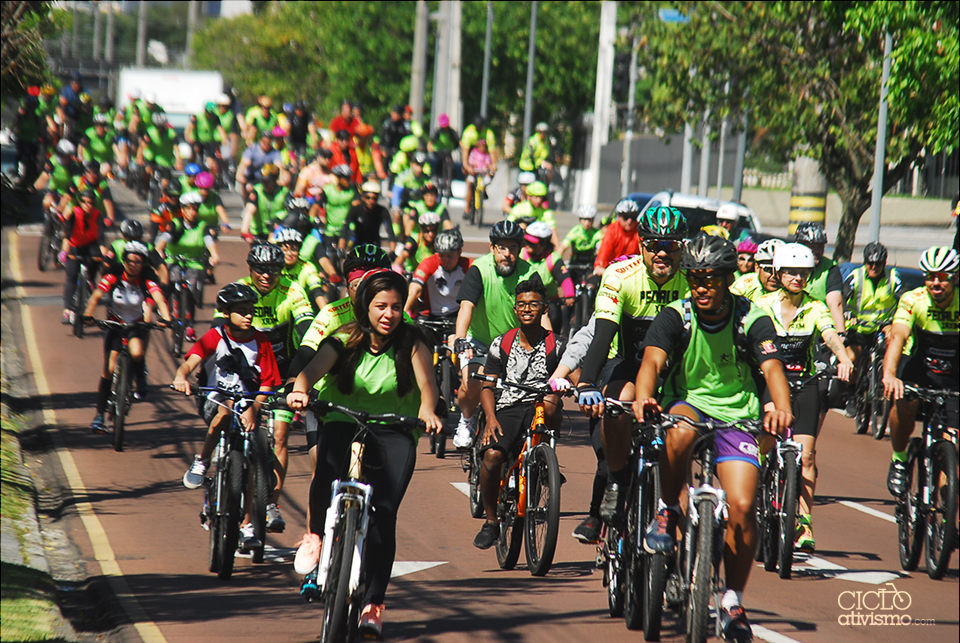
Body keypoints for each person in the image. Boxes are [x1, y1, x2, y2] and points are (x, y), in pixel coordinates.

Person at [635, 233, 793, 643]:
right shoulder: (676, 315)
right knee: (679, 431)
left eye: (710, 278)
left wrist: (779, 406)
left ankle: (732, 602)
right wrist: (644, 395)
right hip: (687, 404)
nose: (701, 287)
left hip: (738, 417)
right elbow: (652, 361)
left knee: (742, 506)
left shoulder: (751, 317)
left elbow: (773, 368)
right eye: (694, 279)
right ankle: (669, 510)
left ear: (726, 279)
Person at [287, 270, 443, 640]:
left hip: (395, 429)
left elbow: (427, 386)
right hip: (343, 420)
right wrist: (299, 392)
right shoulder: (343, 338)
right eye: (379, 306)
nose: (388, 314)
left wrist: (427, 411)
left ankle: (373, 603)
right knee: (324, 477)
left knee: (383, 515)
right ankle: (315, 537)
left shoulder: (415, 341)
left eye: (395, 306)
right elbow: (308, 373)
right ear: (363, 307)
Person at [576, 206, 689, 526]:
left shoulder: (692, 281)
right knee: (616, 407)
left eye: (671, 245)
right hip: (626, 362)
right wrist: (586, 383)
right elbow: (602, 337)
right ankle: (613, 485)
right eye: (654, 244)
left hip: (673, 369)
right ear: (641, 246)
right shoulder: (620, 276)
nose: (662, 253)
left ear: (683, 248)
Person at [755, 243, 853, 552]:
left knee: (807, 455)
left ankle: (804, 521)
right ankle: (757, 485)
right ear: (779, 273)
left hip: (805, 382)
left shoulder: (815, 306)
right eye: (792, 273)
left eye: (804, 273)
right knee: (767, 440)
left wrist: (844, 357)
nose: (798, 278)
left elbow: (829, 333)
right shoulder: (761, 303)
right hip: (770, 381)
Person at [174, 283, 281, 551]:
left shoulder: (262, 341)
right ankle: (202, 460)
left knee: (254, 458)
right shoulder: (215, 336)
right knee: (224, 409)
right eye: (241, 311)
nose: (248, 316)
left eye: (251, 311)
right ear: (226, 313)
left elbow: (268, 382)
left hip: (249, 405)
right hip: (216, 400)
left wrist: (255, 409)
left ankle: (246, 525)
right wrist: (180, 376)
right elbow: (192, 359)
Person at [214, 244, 314, 530]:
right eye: (260, 270)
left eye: (273, 270)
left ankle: (271, 504)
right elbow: (216, 329)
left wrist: (301, 373)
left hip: (280, 375)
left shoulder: (293, 290)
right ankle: (220, 475)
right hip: (241, 376)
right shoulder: (238, 288)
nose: (266, 276)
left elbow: (306, 330)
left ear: (281, 271)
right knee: (230, 428)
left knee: (280, 437)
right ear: (250, 269)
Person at [473, 274, 565, 549]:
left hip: (539, 406)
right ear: (515, 309)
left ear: (544, 309)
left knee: (550, 402)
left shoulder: (557, 345)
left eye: (534, 304)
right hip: (508, 407)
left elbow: (574, 373)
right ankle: (491, 522)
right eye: (522, 304)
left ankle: (548, 460)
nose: (527, 309)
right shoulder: (501, 343)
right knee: (492, 457)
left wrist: (574, 383)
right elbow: (487, 386)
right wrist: (490, 419)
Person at [287, 244, 393, 470]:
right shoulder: (332, 313)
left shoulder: (395, 317)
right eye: (358, 284)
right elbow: (306, 353)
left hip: (378, 404)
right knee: (321, 471)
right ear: (348, 285)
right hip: (329, 403)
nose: (367, 291)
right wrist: (293, 386)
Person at [451, 221, 548, 448]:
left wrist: (551, 342)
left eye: (512, 248)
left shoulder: (530, 273)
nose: (507, 254)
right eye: (501, 248)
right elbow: (467, 306)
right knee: (472, 383)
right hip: (480, 342)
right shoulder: (479, 269)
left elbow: (542, 313)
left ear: (519, 250)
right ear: (492, 248)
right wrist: (460, 336)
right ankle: (466, 419)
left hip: (515, 344)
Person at [882, 246, 959, 498]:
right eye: (930, 276)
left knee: (953, 450)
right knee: (903, 401)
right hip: (919, 366)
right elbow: (898, 337)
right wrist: (889, 375)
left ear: (955, 277)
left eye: (943, 277)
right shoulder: (913, 299)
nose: (935, 283)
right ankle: (900, 458)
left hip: (954, 373)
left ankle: (948, 523)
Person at [84, 242, 171, 432]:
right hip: (115, 324)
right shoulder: (113, 277)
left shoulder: (146, 281)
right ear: (124, 261)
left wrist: (166, 318)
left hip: (135, 325)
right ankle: (99, 415)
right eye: (130, 261)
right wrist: (88, 315)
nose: (133, 265)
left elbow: (159, 298)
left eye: (138, 262)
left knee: (137, 352)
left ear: (143, 265)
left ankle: (140, 379)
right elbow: (97, 295)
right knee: (109, 367)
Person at [155, 192, 221, 342]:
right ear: (182, 210)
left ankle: (189, 326)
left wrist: (214, 254)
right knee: (169, 280)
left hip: (194, 263)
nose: (192, 212)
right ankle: (163, 307)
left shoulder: (202, 226)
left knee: (191, 293)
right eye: (189, 208)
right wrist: (160, 251)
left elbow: (209, 240)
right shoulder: (175, 224)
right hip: (174, 261)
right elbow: (163, 241)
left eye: (195, 209)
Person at [843, 241, 904, 368]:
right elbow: (841, 297)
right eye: (870, 263)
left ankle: (887, 379)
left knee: (895, 343)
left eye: (878, 264)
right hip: (858, 327)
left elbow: (905, 299)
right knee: (852, 358)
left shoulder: (893, 277)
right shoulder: (856, 276)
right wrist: (846, 312)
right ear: (865, 262)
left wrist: (897, 321)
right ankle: (849, 387)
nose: (874, 267)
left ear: (884, 263)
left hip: (883, 326)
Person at [60, 190, 107, 325]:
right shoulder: (74, 213)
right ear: (80, 203)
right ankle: (68, 310)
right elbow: (68, 234)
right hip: (76, 245)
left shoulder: (98, 215)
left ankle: (90, 280)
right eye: (84, 202)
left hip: (91, 244)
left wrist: (103, 250)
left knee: (96, 258)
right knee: (71, 277)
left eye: (91, 202)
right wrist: (64, 251)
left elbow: (101, 235)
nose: (88, 205)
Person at [522, 221, 574, 332]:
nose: (527, 245)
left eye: (532, 243)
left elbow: (564, 277)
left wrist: (569, 295)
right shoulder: (522, 255)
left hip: (549, 302)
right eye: (526, 241)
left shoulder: (552, 258)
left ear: (543, 244)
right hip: (525, 301)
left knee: (555, 315)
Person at [406, 228, 469, 319]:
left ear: (459, 252)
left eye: (450, 256)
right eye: (442, 255)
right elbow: (414, 291)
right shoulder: (429, 263)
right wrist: (403, 316)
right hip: (431, 317)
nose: (446, 260)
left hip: (457, 316)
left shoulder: (468, 265)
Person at [794, 222, 845, 332]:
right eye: (811, 246)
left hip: (819, 328)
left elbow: (835, 304)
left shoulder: (830, 268)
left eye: (820, 247)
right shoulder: (786, 263)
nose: (816, 251)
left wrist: (840, 334)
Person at [275, 228, 328, 311]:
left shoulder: (307, 267)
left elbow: (317, 292)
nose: (289, 254)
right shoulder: (273, 267)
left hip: (302, 308)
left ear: (299, 251)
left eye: (294, 250)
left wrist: (326, 313)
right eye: (285, 250)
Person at [241, 164, 289, 244]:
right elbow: (249, 210)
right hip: (258, 233)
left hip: (276, 233)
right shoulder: (256, 190)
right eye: (263, 181)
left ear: (275, 180)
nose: (265, 184)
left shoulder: (284, 191)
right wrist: (245, 230)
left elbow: (288, 212)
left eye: (268, 181)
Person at [593, 198, 641, 276]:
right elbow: (602, 257)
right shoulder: (612, 231)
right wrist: (601, 268)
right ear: (619, 216)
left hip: (632, 273)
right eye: (626, 217)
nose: (629, 221)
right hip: (612, 271)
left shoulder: (640, 231)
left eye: (633, 217)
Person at [461, 116, 498, 214]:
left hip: (484, 158)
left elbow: (492, 152)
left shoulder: (488, 133)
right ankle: (467, 208)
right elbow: (465, 152)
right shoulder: (468, 133)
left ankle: (483, 189)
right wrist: (467, 166)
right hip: (472, 157)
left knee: (490, 173)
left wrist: (493, 165)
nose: (479, 129)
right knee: (469, 183)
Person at [344, 181, 396, 250]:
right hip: (358, 243)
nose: (371, 201)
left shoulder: (382, 211)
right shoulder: (356, 209)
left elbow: (390, 232)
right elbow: (345, 228)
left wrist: (393, 251)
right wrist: (341, 248)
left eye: (374, 198)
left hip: (374, 244)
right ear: (362, 197)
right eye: (368, 198)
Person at [235, 130, 286, 201]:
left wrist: (282, 179)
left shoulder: (274, 152)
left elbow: (279, 166)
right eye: (264, 142)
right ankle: (247, 204)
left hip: (266, 179)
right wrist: (241, 177)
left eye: (269, 143)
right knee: (248, 187)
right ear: (260, 141)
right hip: (251, 178)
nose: (267, 145)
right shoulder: (252, 150)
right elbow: (243, 164)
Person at [507, 181, 559, 247]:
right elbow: (508, 227)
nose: (539, 200)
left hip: (540, 246)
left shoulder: (547, 212)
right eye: (536, 197)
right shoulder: (518, 209)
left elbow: (554, 233)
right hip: (521, 244)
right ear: (529, 197)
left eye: (541, 197)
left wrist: (558, 254)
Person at [731, 239, 784, 303]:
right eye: (768, 269)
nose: (774, 275)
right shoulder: (745, 284)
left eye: (779, 271)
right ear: (757, 267)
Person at [318, 164, 359, 241]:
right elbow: (316, 205)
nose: (348, 180)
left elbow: (357, 205)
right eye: (346, 178)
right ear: (338, 178)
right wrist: (319, 216)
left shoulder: (353, 190)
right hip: (331, 228)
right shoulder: (328, 189)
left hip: (348, 228)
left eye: (349, 177)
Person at [561, 205, 605, 270]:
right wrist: (559, 264)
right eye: (584, 219)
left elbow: (604, 247)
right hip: (575, 264)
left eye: (590, 220)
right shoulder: (575, 231)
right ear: (580, 219)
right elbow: (562, 247)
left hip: (590, 265)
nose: (587, 223)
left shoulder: (597, 233)